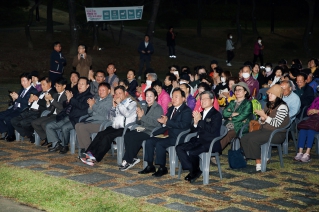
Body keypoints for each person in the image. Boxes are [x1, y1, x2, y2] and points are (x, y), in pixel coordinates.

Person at [138, 88, 192, 177]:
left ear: (183, 98)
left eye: (176, 97)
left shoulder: (186, 110)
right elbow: (165, 121)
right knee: (149, 141)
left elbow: (184, 125)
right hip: (167, 134)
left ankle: (162, 167)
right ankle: (150, 165)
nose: (173, 99)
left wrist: (167, 122)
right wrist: (163, 122)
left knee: (160, 144)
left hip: (177, 137)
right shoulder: (171, 109)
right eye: (172, 97)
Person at [80, 86, 137, 165]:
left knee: (107, 137)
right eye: (116, 94)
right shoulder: (117, 104)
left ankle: (95, 158)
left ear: (125, 93)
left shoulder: (132, 103)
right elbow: (109, 118)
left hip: (125, 128)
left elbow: (126, 114)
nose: (118, 95)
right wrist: (113, 108)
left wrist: (119, 104)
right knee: (101, 134)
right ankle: (88, 154)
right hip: (115, 126)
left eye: (120, 93)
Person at [241, 85, 289, 171]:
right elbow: (262, 122)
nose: (269, 95)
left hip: (277, 134)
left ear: (278, 96)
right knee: (245, 138)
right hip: (265, 130)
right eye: (269, 93)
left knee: (253, 140)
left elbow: (276, 124)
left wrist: (265, 117)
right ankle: (262, 157)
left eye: (272, 94)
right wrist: (262, 119)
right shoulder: (268, 105)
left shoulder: (282, 107)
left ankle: (259, 161)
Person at [176, 91, 221, 183]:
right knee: (179, 148)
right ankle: (194, 170)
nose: (203, 101)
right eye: (201, 99)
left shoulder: (216, 115)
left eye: (205, 99)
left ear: (212, 100)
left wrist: (200, 121)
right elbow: (193, 130)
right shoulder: (200, 113)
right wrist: (195, 124)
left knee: (193, 152)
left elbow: (212, 130)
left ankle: (194, 171)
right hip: (198, 140)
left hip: (209, 142)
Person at [119, 88, 163, 171]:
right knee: (128, 134)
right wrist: (139, 118)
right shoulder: (144, 106)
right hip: (142, 129)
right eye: (147, 96)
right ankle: (133, 157)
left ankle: (128, 160)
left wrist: (142, 117)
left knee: (134, 137)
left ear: (155, 97)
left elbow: (156, 124)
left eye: (151, 96)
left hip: (151, 131)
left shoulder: (158, 108)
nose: (148, 98)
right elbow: (139, 122)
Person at [46, 77, 93, 154]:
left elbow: (82, 106)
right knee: (49, 126)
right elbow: (65, 105)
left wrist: (71, 99)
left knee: (65, 128)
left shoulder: (89, 96)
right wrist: (68, 100)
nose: (80, 86)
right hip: (66, 116)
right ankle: (57, 143)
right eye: (79, 83)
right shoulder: (76, 93)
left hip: (76, 119)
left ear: (87, 86)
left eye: (82, 84)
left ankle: (65, 146)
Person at [11, 77, 56, 143]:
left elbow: (48, 106)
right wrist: (30, 101)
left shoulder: (53, 93)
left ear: (50, 83)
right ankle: (29, 134)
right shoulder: (40, 92)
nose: (42, 86)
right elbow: (29, 103)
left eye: (44, 84)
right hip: (29, 110)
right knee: (14, 120)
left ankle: (33, 135)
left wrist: (37, 100)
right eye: (41, 85)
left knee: (24, 123)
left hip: (38, 112)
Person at [75, 82, 113, 152]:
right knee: (77, 125)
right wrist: (90, 107)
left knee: (83, 128)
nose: (101, 92)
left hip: (103, 123)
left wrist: (94, 105)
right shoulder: (97, 99)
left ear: (109, 91)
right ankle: (83, 149)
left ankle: (90, 151)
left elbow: (105, 113)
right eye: (99, 90)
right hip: (93, 121)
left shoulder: (110, 100)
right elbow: (90, 113)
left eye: (103, 90)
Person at [0, 73, 38, 142]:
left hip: (22, 110)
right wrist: (14, 99)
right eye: (21, 81)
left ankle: (11, 135)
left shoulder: (33, 91)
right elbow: (18, 101)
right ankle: (7, 130)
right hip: (14, 108)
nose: (22, 83)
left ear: (29, 81)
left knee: (8, 118)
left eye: (24, 81)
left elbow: (28, 103)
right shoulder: (22, 90)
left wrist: (18, 98)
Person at [31, 77, 67, 146]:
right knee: (34, 123)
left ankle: (55, 141)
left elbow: (62, 107)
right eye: (55, 86)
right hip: (51, 114)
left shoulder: (66, 95)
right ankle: (48, 138)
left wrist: (51, 100)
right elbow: (50, 109)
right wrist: (48, 102)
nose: (56, 88)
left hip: (59, 116)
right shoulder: (56, 94)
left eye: (58, 86)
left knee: (44, 124)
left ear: (64, 86)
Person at [220, 82, 252, 150]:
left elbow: (242, 116)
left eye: (239, 90)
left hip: (240, 126)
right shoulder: (232, 102)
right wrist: (233, 114)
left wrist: (230, 117)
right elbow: (224, 113)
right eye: (236, 90)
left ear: (245, 92)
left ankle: (214, 151)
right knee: (217, 131)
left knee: (227, 134)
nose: (237, 91)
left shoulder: (248, 103)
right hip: (228, 124)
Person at [294, 97, 319, 162]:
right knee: (303, 130)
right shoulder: (317, 99)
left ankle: (307, 153)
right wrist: (310, 111)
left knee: (311, 130)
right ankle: (300, 152)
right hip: (314, 120)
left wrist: (317, 111)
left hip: (316, 123)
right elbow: (309, 109)